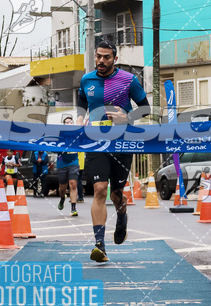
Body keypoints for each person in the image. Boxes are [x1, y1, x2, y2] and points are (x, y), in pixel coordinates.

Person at [77, 40, 149, 263]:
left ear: (114, 59)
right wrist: (79, 120)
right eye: (98, 56)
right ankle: (100, 245)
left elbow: (145, 108)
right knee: (99, 189)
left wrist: (127, 118)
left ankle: (122, 214)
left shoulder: (128, 79)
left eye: (106, 57)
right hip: (95, 142)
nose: (101, 60)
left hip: (121, 142)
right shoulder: (86, 79)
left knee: (116, 193)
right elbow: (82, 103)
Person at [56, 115, 79, 217]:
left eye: (71, 122)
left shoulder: (77, 134)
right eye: (67, 122)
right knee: (62, 187)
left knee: (73, 184)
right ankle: (62, 198)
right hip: (62, 162)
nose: (69, 124)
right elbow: (53, 147)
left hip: (73, 162)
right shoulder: (60, 135)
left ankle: (73, 208)